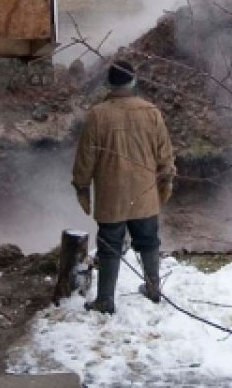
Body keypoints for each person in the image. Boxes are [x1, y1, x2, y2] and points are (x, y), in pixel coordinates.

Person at [73, 60, 175, 313]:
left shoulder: (98, 115)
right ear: (133, 81)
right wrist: (166, 180)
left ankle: (105, 300)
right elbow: (165, 155)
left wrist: (82, 186)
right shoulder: (151, 112)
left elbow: (86, 157)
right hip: (145, 194)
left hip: (111, 197)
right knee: (149, 241)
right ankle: (153, 288)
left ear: (109, 83)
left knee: (109, 246)